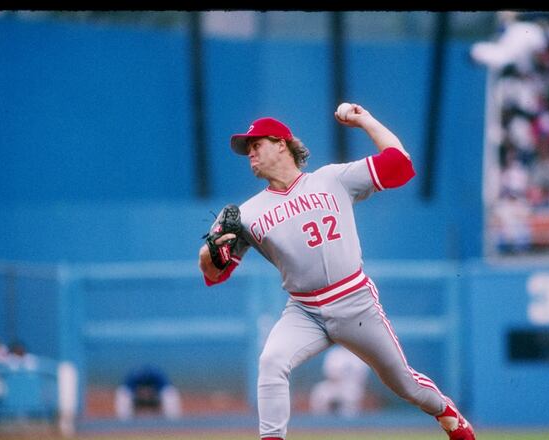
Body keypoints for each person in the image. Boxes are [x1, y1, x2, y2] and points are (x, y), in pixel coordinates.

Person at [198, 104, 476, 440]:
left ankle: (449, 415)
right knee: (271, 362)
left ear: (281, 144)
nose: (250, 154)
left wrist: (367, 120)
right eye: (247, 149)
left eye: (256, 145)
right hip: (304, 310)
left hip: (355, 302)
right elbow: (214, 274)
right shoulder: (246, 214)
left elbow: (400, 164)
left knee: (403, 383)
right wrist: (210, 250)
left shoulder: (332, 179)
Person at [309, 345, 370, 418]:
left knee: (351, 395)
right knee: (320, 390)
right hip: (334, 385)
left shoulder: (361, 354)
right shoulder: (335, 353)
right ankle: (321, 421)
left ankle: (350, 423)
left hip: (352, 387)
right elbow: (329, 374)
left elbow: (362, 378)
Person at [115, 364, 182, 420]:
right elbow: (124, 391)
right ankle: (124, 424)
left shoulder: (158, 379)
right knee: (123, 394)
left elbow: (168, 390)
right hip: (136, 398)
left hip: (156, 398)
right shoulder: (132, 380)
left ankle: (172, 424)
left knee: (169, 394)